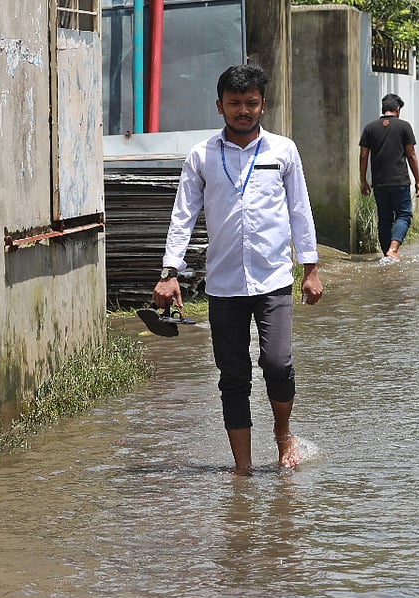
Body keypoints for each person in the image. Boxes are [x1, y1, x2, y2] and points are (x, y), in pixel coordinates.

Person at [153, 63, 323, 476]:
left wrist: (310, 268)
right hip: (224, 284)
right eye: (234, 103)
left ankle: (283, 434)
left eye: (251, 102)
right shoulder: (202, 156)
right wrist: (169, 272)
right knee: (233, 376)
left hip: (273, 279)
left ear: (263, 104)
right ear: (220, 106)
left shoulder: (283, 151)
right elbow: (182, 216)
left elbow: (299, 210)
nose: (243, 110)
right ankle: (242, 469)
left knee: (278, 364)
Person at [359, 93, 419, 260]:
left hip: (379, 183)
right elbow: (411, 154)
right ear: (397, 109)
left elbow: (363, 155)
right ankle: (393, 250)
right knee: (404, 215)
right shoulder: (404, 126)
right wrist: (418, 180)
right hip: (399, 181)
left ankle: (386, 255)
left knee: (384, 219)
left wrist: (363, 180)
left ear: (384, 109)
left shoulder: (370, 128)